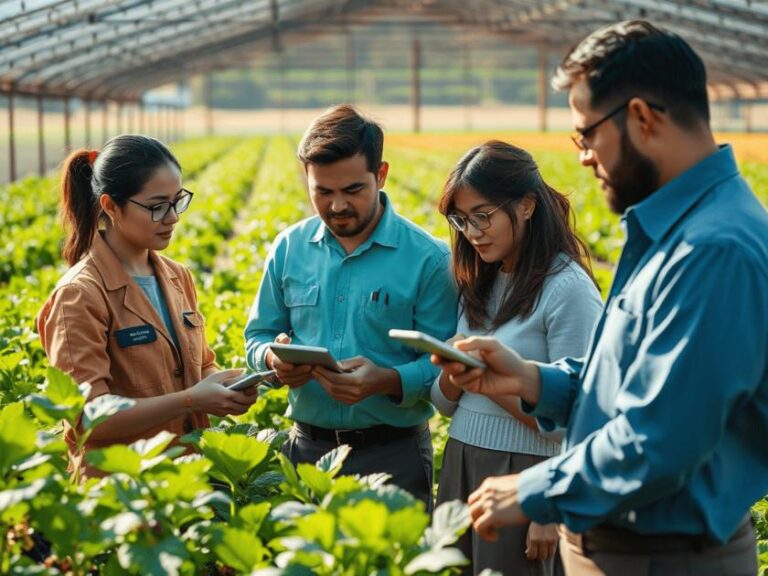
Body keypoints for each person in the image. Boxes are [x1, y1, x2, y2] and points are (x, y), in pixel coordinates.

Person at [434, 20, 768, 576]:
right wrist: (533, 379)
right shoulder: (677, 230)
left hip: (665, 557)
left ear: (641, 118)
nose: (584, 157)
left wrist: (535, 487)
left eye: (586, 135)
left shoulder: (714, 249)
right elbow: (633, 381)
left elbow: (661, 437)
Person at [244, 104, 457, 509]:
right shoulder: (289, 248)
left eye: (353, 190)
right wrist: (273, 359)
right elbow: (258, 336)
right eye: (323, 192)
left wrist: (387, 381)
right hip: (307, 453)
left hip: (394, 456)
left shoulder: (428, 259)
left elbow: (447, 363)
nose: (338, 206)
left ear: (381, 174)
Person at [37, 134, 257, 480]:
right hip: (119, 492)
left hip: (186, 478)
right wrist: (192, 400)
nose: (173, 218)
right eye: (157, 206)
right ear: (111, 206)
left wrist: (226, 386)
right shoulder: (79, 295)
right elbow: (88, 417)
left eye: (177, 201)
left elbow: (200, 366)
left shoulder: (177, 276)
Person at [431, 140, 602, 575]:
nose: (472, 232)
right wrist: (453, 374)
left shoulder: (567, 288)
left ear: (526, 206)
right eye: (461, 220)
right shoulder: (480, 278)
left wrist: (549, 508)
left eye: (482, 216)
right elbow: (445, 404)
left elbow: (580, 416)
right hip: (462, 462)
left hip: (524, 473)